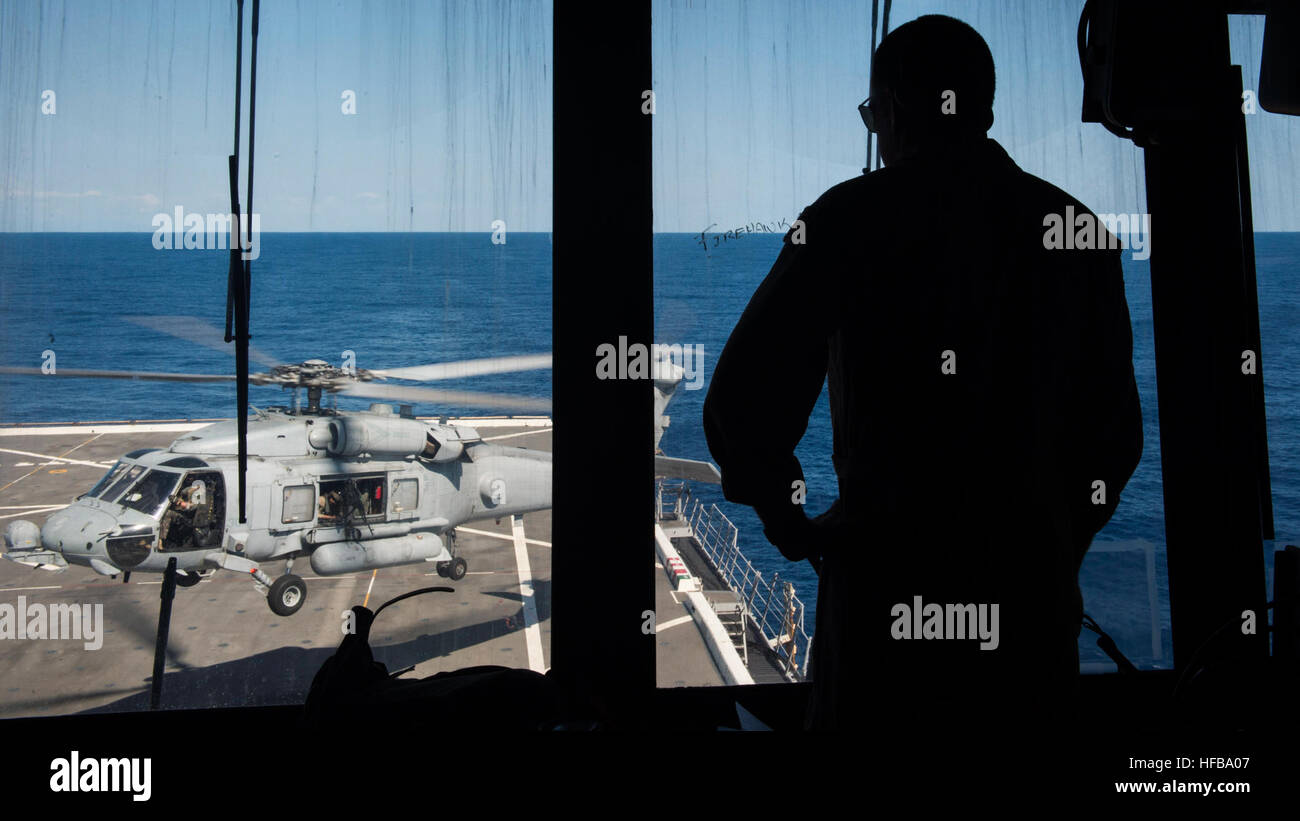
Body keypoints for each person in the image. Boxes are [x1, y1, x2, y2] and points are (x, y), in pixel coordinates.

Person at [702, 15, 1143, 733]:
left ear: (898, 105)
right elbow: (1114, 439)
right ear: (985, 107)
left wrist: (793, 525)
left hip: (884, 617)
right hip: (1027, 629)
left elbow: (741, 404)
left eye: (874, 112)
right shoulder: (1078, 232)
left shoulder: (849, 219)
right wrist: (1052, 542)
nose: (875, 129)